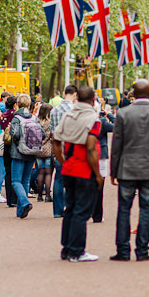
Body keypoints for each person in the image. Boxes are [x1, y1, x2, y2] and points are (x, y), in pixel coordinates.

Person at [110, 79, 149, 261]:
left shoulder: (123, 113)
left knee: (124, 209)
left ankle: (123, 250)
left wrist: (114, 172)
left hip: (127, 167)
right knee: (145, 209)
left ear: (134, 94)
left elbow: (116, 145)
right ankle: (142, 251)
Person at [52, 86, 103, 261]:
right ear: (93, 99)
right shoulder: (93, 118)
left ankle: (66, 248)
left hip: (69, 168)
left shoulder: (68, 115)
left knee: (70, 209)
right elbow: (91, 148)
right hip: (84, 169)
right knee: (82, 211)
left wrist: (62, 160)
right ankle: (77, 250)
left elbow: (56, 140)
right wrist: (97, 174)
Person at [9, 94, 45, 219]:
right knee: (25, 180)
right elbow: (43, 135)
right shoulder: (34, 118)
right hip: (32, 152)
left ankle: (25, 202)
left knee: (15, 181)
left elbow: (15, 134)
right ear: (30, 105)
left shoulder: (16, 118)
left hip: (18, 152)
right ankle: (21, 211)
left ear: (17, 104)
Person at [49, 85, 77, 218]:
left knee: (59, 179)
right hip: (72, 148)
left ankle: (58, 210)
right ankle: (71, 207)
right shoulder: (75, 109)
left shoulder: (54, 110)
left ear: (64, 93)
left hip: (58, 148)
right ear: (75, 95)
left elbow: (52, 132)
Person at [92, 103, 114, 223]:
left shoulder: (84, 120)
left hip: (88, 153)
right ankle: (97, 214)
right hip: (101, 153)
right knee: (100, 185)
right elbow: (117, 127)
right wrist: (109, 115)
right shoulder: (102, 122)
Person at [0, 95, 18, 207]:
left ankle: (9, 198)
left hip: (6, 144)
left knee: (8, 172)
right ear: (15, 104)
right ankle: (14, 198)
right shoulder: (14, 115)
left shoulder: (4, 115)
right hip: (13, 144)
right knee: (14, 172)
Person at [35, 103, 54, 202]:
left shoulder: (36, 121)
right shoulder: (49, 122)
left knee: (40, 172)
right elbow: (49, 136)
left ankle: (39, 196)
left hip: (37, 149)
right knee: (48, 173)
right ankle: (47, 195)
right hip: (47, 149)